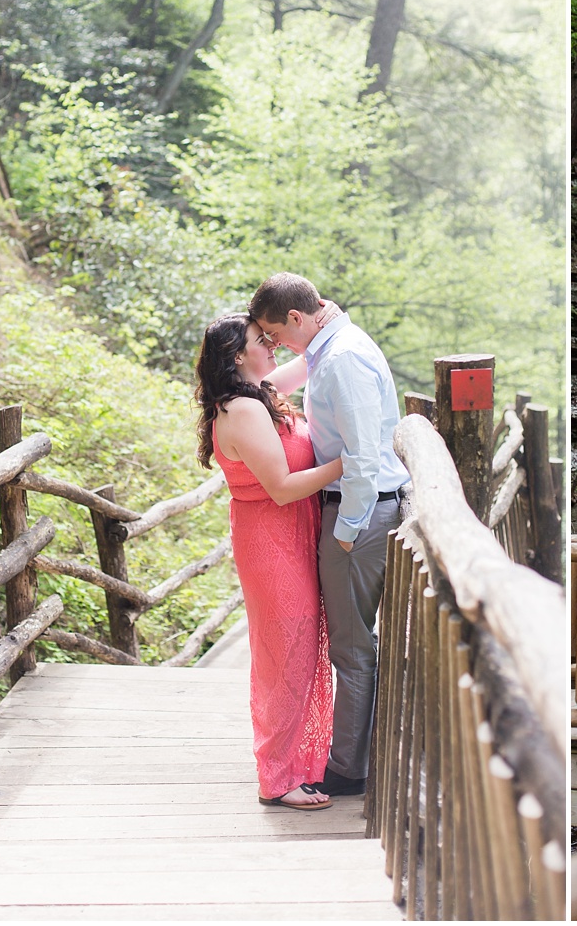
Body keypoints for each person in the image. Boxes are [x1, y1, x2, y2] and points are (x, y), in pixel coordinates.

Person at [250, 273, 410, 797]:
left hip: (358, 518)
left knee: (352, 647)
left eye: (276, 335)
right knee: (356, 642)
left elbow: (363, 458)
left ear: (297, 318)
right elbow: (273, 383)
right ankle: (353, 757)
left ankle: (348, 770)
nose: (276, 347)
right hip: (357, 514)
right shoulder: (330, 346)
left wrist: (344, 533)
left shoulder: (341, 360)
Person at [195, 313, 341, 810]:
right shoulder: (241, 409)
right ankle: (277, 779)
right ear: (238, 355)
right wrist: (353, 461)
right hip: (272, 539)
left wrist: (326, 318)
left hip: (291, 533)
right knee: (288, 653)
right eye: (263, 340)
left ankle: (295, 764)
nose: (274, 344)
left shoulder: (256, 391)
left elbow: (309, 360)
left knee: (295, 648)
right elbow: (280, 488)